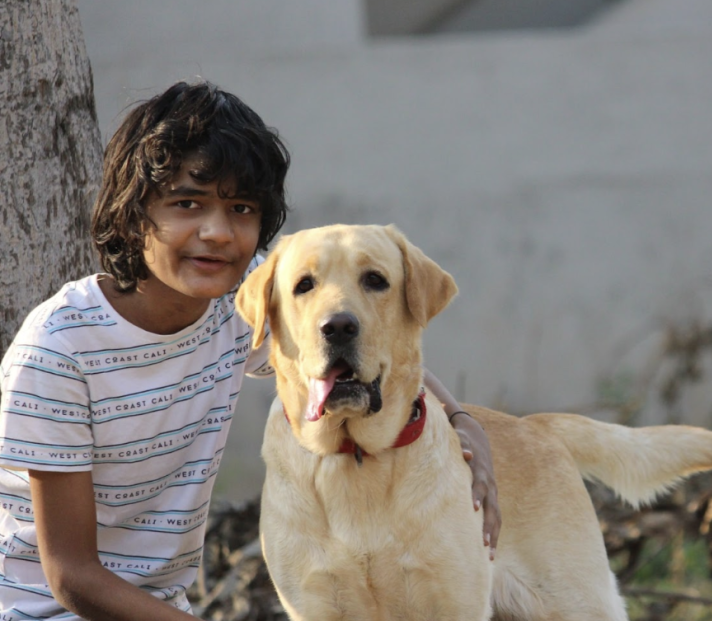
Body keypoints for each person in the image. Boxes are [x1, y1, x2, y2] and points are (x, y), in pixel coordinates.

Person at [0, 80, 499, 620]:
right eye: (187, 203)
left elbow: (355, 353)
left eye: (240, 208)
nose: (217, 232)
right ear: (134, 211)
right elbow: (72, 577)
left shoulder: (244, 299)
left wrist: (460, 417)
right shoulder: (59, 351)